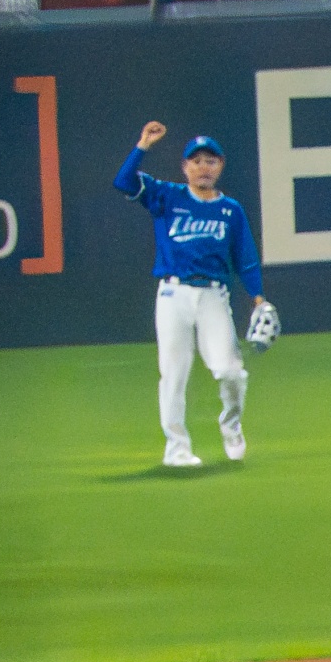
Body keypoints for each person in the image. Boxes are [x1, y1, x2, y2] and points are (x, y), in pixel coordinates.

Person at [113, 123, 270, 468]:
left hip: (213, 295)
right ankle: (177, 450)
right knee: (174, 373)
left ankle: (231, 426)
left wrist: (258, 298)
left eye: (210, 161)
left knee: (230, 371)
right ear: (185, 167)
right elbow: (123, 181)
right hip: (173, 294)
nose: (203, 167)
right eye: (196, 161)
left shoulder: (230, 210)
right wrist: (143, 145)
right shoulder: (167, 196)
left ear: (221, 166)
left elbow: (245, 259)